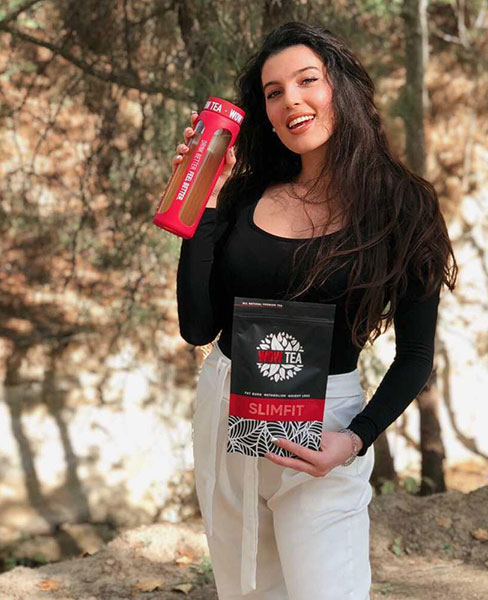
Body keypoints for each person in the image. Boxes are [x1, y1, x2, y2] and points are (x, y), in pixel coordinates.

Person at [174, 21, 457, 600]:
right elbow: (198, 326)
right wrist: (201, 197)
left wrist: (354, 439)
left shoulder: (403, 207)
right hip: (226, 411)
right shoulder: (243, 195)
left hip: (324, 428)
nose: (291, 101)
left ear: (342, 87)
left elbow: (416, 355)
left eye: (308, 81)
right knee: (246, 591)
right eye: (273, 92)